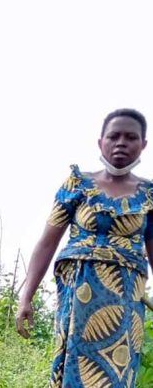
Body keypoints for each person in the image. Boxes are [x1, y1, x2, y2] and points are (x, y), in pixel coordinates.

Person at [16, 109, 153, 388]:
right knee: (75, 372)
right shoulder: (78, 185)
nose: (121, 143)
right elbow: (47, 242)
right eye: (114, 136)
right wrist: (25, 297)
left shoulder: (149, 196)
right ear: (101, 142)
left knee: (117, 373)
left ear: (143, 144)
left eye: (131, 137)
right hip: (78, 298)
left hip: (125, 302)